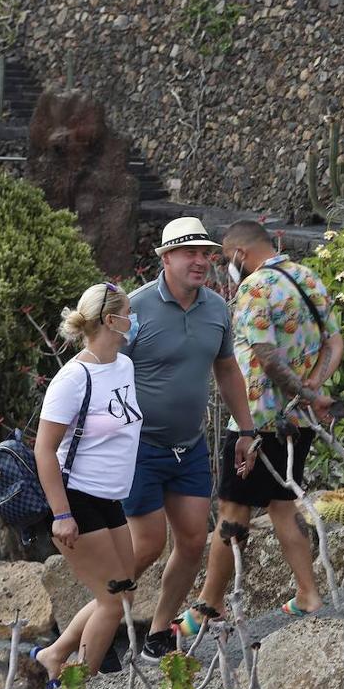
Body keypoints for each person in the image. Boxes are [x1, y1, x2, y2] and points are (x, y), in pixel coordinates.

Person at [180, 220, 343, 631]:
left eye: (225, 258)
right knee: (283, 507)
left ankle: (207, 609)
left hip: (256, 421)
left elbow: (267, 357)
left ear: (238, 254)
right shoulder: (307, 278)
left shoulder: (254, 289)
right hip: (298, 421)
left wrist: (305, 393)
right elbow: (335, 342)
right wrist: (313, 390)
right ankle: (308, 594)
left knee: (232, 513)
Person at [124, 217, 258, 662]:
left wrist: (245, 428)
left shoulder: (218, 307)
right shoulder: (134, 308)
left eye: (206, 253)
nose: (201, 261)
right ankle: (95, 631)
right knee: (144, 550)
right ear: (165, 258)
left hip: (190, 446)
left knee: (194, 542)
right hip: (139, 448)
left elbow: (227, 370)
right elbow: (100, 371)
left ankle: (158, 633)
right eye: (189, 253)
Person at [30, 283, 143, 681]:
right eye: (129, 310)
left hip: (110, 498)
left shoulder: (123, 366)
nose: (134, 317)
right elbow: (44, 451)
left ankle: (53, 655)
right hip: (75, 499)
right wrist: (61, 514)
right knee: (113, 600)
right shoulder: (73, 379)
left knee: (124, 595)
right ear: (112, 320)